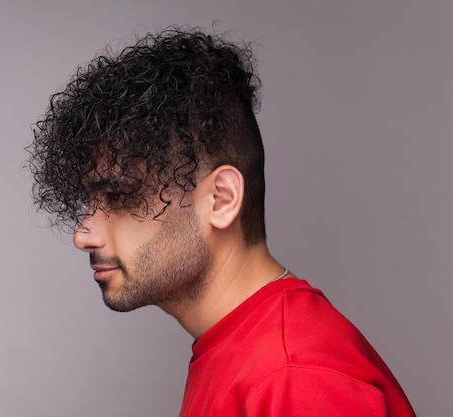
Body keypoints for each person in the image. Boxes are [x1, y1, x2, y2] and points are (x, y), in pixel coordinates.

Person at [27, 26, 415, 416]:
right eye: (91, 200)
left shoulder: (296, 378)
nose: (83, 235)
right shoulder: (239, 350)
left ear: (221, 199)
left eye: (119, 196)